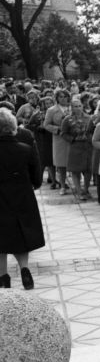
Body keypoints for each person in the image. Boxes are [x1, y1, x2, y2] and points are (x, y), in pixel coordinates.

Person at [0, 108, 42, 290]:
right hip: (22, 196)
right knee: (21, 234)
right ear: (12, 127)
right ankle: (24, 270)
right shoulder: (25, 149)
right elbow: (37, 177)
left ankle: (3, 276)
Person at [61, 98, 94, 201]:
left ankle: (86, 189)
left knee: (88, 170)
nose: (78, 108)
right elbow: (63, 133)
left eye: (79, 106)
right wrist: (73, 139)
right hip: (75, 146)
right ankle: (79, 191)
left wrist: (89, 138)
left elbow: (93, 131)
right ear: (72, 108)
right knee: (76, 171)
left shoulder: (89, 118)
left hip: (87, 146)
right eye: (75, 106)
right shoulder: (67, 119)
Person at [43, 89, 71, 194]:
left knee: (75, 162)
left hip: (73, 139)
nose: (63, 98)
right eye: (61, 96)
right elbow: (46, 125)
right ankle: (62, 185)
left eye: (65, 96)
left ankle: (78, 184)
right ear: (57, 98)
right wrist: (58, 129)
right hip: (60, 139)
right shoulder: (51, 110)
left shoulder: (73, 107)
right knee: (61, 163)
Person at [25, 96, 55, 185]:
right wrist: (37, 128)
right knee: (42, 161)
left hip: (52, 138)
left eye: (50, 103)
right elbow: (28, 126)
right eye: (46, 103)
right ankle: (38, 179)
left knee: (52, 161)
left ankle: (53, 180)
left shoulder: (55, 113)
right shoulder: (37, 114)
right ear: (42, 105)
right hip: (41, 140)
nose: (48, 105)